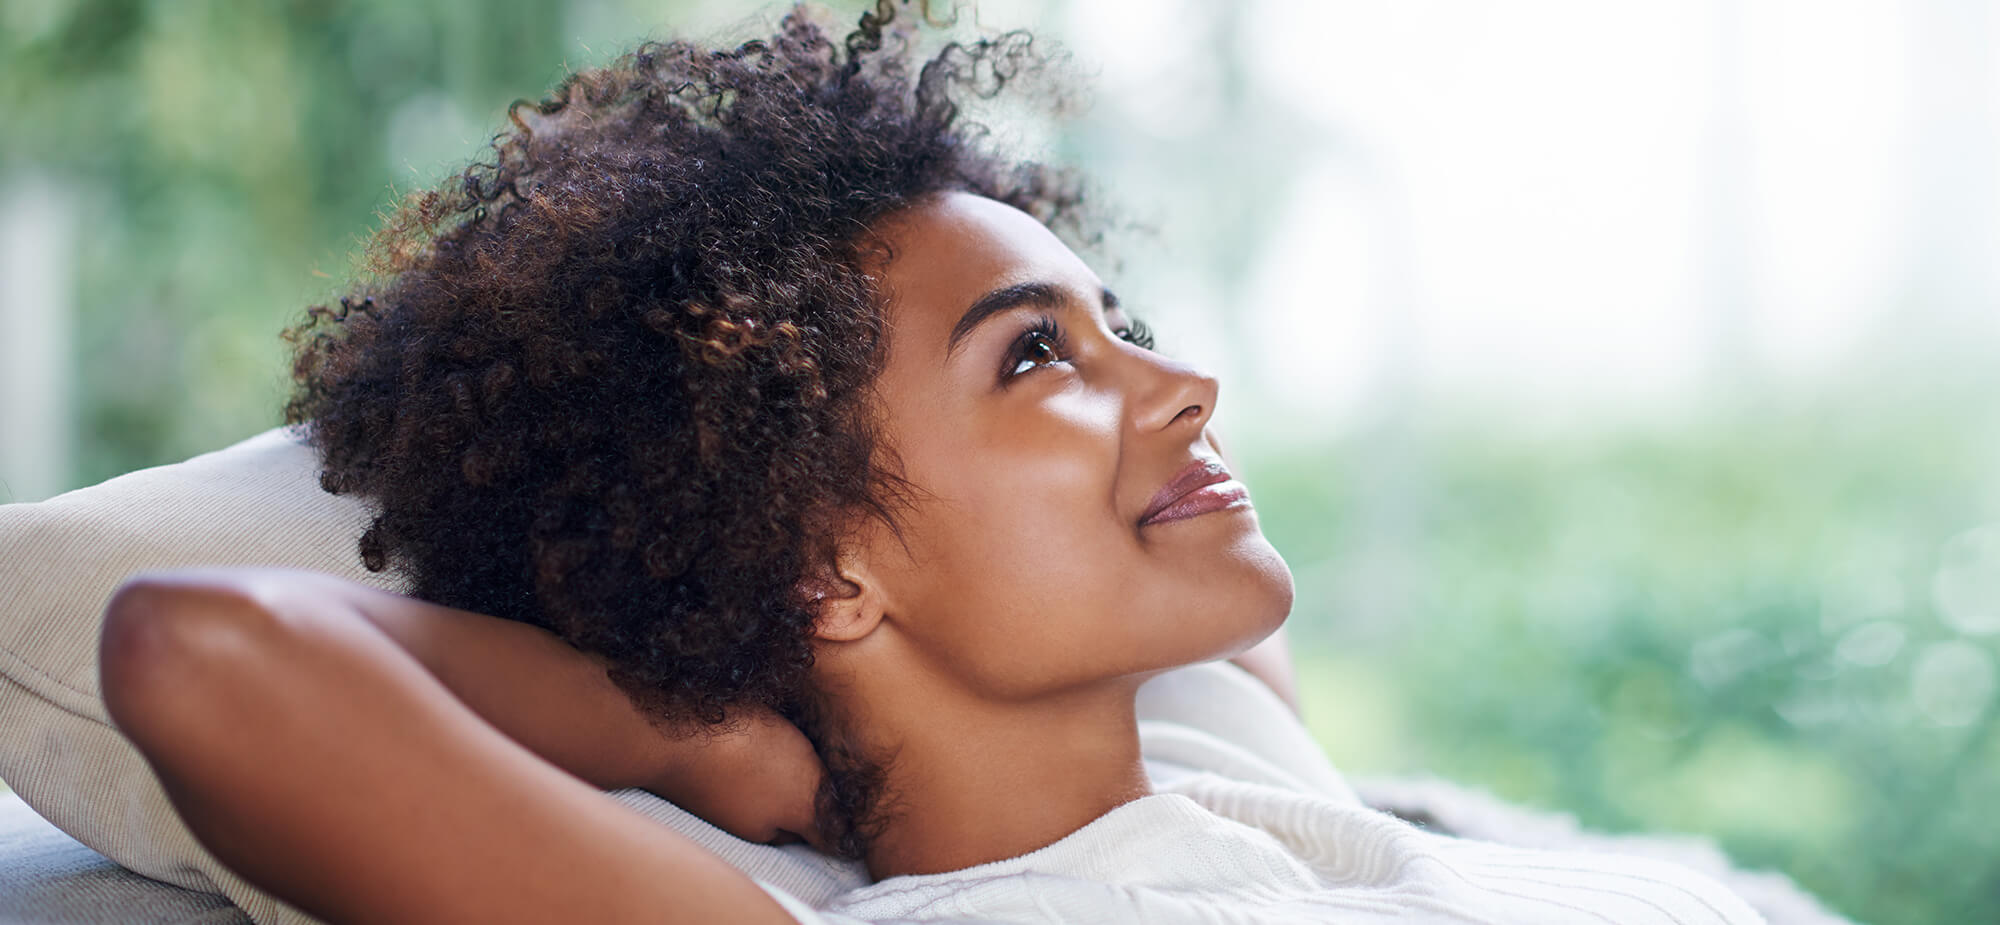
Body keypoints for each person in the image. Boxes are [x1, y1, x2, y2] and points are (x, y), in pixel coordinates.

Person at [97, 4, 1766, 922]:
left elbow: (1201, 579)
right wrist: (713, 742)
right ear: (828, 570)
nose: (1187, 385)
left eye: (1123, 323)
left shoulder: (1268, 795)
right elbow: (205, 646)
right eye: (1038, 353)